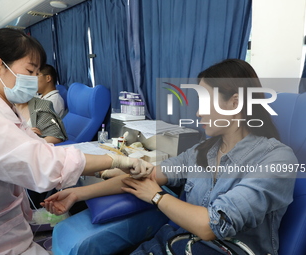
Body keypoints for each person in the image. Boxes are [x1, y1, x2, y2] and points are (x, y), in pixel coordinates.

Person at [43, 59, 297, 255]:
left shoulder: (276, 159)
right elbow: (144, 177)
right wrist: (78, 194)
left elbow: (211, 226)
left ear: (233, 103)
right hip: (179, 243)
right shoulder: (203, 151)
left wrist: (157, 196)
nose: (197, 112)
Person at [0, 28, 153, 255]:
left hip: (5, 229)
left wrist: (92, 178)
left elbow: (39, 148)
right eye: (29, 71)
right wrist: (114, 160)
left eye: (37, 73)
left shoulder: (4, 110)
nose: (34, 81)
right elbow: (42, 162)